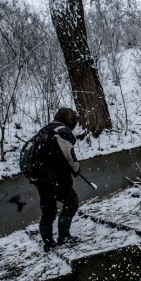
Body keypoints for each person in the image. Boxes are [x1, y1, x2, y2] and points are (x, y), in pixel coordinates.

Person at [30, 107, 81, 249]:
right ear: (69, 120)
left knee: (48, 209)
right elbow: (68, 155)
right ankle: (63, 236)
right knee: (71, 201)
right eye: (74, 121)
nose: (75, 124)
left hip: (41, 178)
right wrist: (76, 169)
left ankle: (47, 243)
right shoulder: (61, 131)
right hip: (56, 177)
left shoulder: (45, 130)